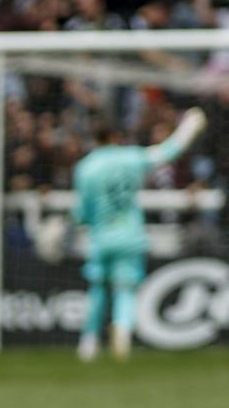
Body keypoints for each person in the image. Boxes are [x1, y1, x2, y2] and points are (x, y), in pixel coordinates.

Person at [72, 107, 206, 361]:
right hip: (130, 234)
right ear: (115, 135)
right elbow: (167, 152)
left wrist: (81, 222)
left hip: (101, 236)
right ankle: (122, 332)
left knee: (98, 288)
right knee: (125, 289)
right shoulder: (130, 157)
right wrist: (188, 127)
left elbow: (81, 212)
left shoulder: (85, 167)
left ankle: (88, 342)